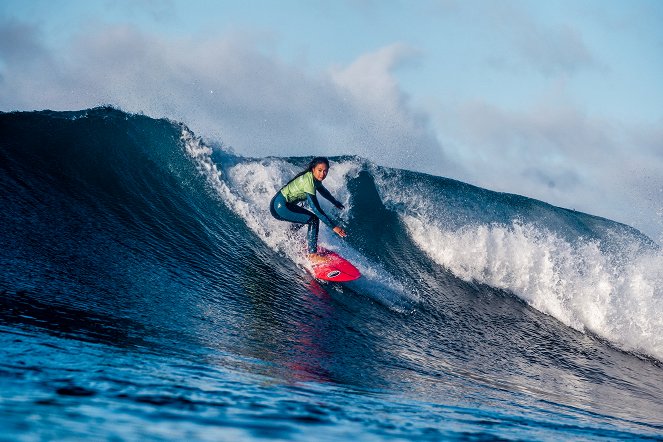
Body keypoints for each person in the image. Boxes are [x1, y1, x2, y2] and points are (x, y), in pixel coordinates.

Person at [270, 157, 347, 259]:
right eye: (320, 170)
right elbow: (316, 209)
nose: (322, 174)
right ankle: (313, 255)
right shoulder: (308, 182)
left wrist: (335, 202)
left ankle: (288, 235)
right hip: (279, 207)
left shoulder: (315, 179)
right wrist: (334, 227)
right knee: (313, 220)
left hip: (280, 204)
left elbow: (323, 191)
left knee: (305, 217)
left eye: (325, 171)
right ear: (313, 169)